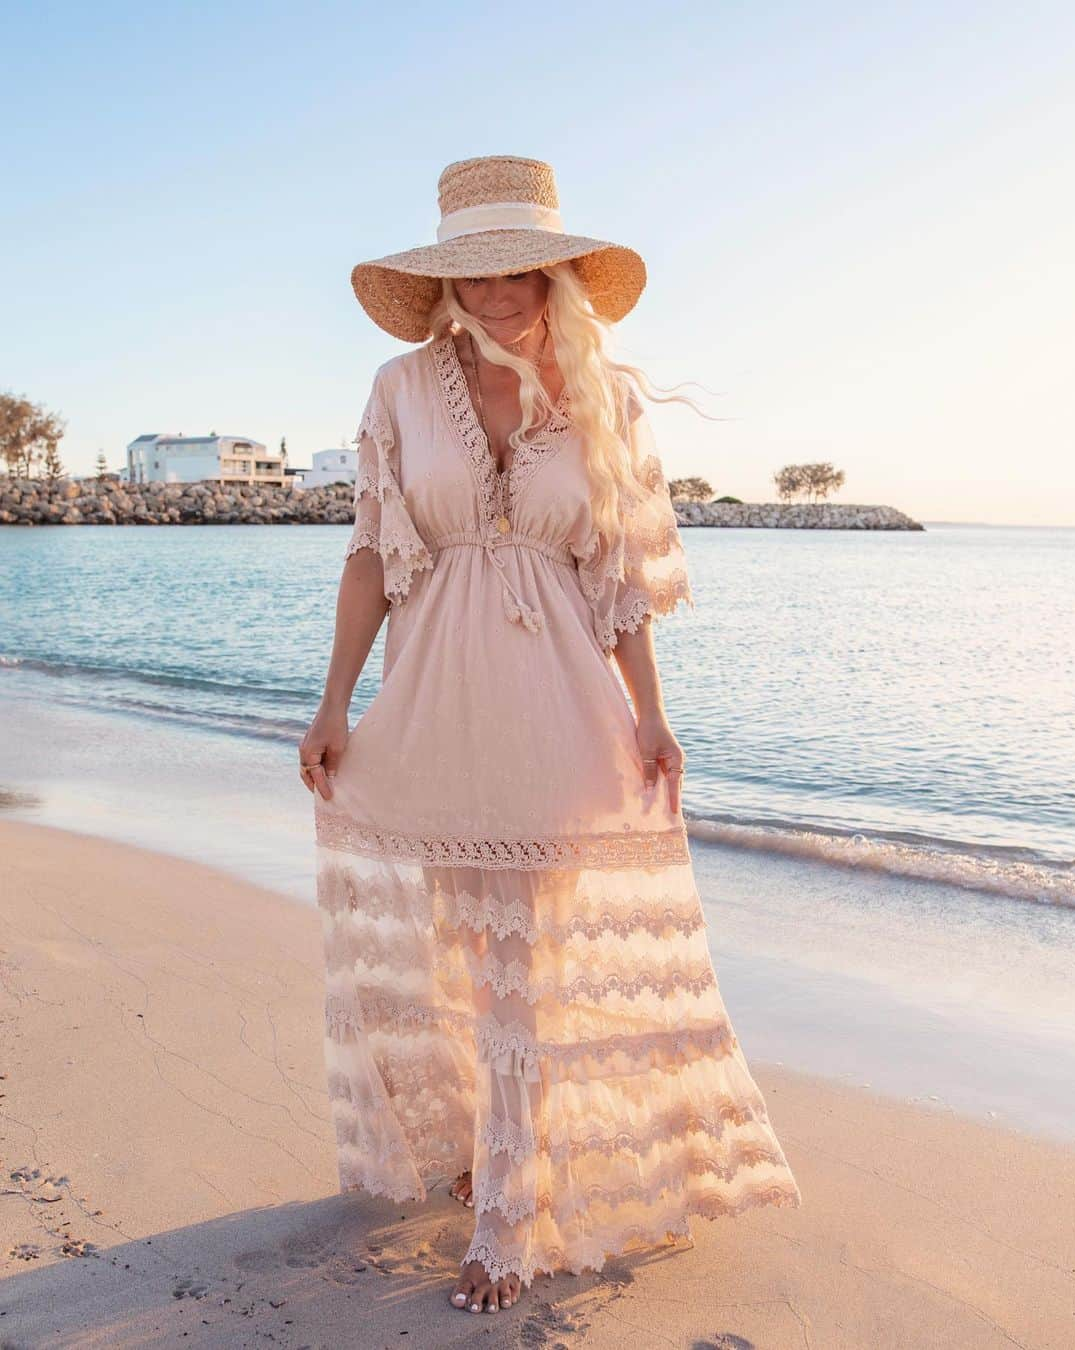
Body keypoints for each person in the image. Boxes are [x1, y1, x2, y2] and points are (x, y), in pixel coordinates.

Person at [298, 154, 801, 1317]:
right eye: (471, 270)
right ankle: (488, 1145)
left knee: (526, 967)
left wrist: (654, 715)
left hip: (560, 710)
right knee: (467, 957)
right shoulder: (396, 390)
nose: (495, 289)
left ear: (556, 270)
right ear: (442, 280)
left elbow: (616, 575)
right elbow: (373, 555)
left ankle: (509, 1215)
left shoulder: (602, 393)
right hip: (433, 705)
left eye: (517, 265)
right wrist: (334, 703)